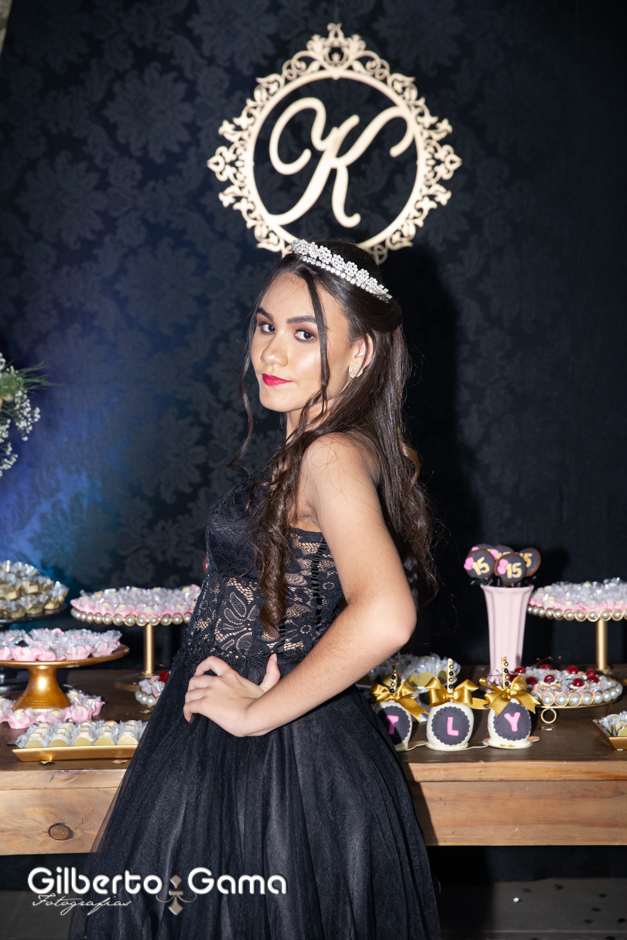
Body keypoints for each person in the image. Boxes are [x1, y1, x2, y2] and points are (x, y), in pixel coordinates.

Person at [68, 238, 441, 940]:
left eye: (305, 335)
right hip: (253, 743)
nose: (271, 351)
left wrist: (259, 714)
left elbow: (387, 614)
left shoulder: (330, 454)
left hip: (275, 761)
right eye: (266, 325)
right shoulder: (318, 447)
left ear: (360, 353)